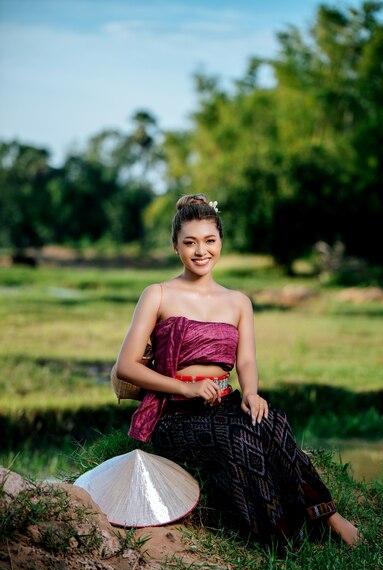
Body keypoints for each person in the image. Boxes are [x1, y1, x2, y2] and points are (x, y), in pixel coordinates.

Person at [116, 193, 360, 551]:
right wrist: (185, 389)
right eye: (190, 243)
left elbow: (245, 361)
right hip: (174, 415)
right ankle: (282, 537)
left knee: (272, 421)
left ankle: (329, 518)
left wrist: (250, 393)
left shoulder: (238, 301)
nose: (201, 251)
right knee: (239, 438)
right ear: (175, 246)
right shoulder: (157, 294)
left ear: (220, 243)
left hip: (223, 401)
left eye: (210, 241)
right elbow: (126, 365)